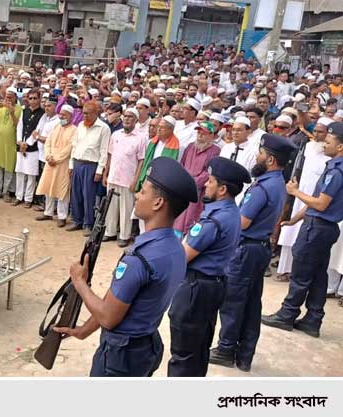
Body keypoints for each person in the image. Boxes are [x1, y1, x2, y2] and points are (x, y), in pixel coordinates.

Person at [53, 157, 198, 377]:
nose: (137, 195)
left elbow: (109, 316)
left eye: (144, 191)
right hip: (145, 346)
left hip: (120, 357)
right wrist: (83, 331)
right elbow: (119, 303)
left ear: (158, 203)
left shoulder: (139, 259)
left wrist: (79, 282)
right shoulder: (175, 247)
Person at [210, 134, 296, 372]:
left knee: (234, 301)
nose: (257, 156)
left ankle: (226, 349)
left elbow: (243, 222)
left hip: (247, 249)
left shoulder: (262, 187)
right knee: (250, 303)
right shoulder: (277, 182)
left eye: (260, 153)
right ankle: (244, 354)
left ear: (269, 159)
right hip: (260, 248)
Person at [167, 157, 249, 377]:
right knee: (199, 349)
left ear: (222, 189)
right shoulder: (231, 212)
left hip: (196, 288)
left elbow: (182, 257)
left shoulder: (213, 220)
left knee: (183, 352)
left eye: (211, 181)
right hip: (213, 285)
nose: (206, 184)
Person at [262, 121, 343, 337]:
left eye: (328, 141)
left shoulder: (336, 171)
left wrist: (295, 192)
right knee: (317, 275)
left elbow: (321, 204)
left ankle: (287, 314)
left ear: (340, 146)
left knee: (301, 273)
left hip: (317, 228)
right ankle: (313, 318)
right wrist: (295, 219)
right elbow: (316, 201)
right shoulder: (334, 167)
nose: (324, 145)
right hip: (323, 227)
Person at [276, 117, 333, 281]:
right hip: (299, 194)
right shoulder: (307, 146)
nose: (316, 134)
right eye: (315, 130)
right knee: (292, 231)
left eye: (321, 132)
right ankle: (286, 269)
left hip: (317, 198)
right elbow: (298, 167)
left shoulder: (331, 155)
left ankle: (300, 273)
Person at [103, 108, 146, 246]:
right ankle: (109, 232)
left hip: (128, 180)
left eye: (130, 117)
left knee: (126, 209)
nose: (127, 119)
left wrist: (136, 180)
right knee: (110, 207)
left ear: (136, 120)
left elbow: (141, 161)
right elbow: (109, 155)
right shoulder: (116, 134)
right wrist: (106, 173)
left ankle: (124, 235)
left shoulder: (141, 138)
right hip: (113, 177)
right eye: (125, 116)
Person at [68, 101, 111, 235]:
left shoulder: (103, 128)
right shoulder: (80, 125)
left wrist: (100, 170)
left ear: (95, 113)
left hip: (91, 165)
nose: (84, 116)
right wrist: (71, 164)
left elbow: (104, 152)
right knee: (76, 194)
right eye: (83, 113)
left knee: (89, 196)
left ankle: (88, 223)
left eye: (87, 113)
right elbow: (74, 145)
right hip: (77, 163)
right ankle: (77, 220)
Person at [174, 121, 222, 236]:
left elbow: (209, 172)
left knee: (193, 217)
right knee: (179, 217)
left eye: (204, 133)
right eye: (199, 132)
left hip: (200, 190)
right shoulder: (190, 146)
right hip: (184, 187)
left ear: (211, 135)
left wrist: (194, 182)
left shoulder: (216, 151)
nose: (200, 135)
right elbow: (182, 163)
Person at [35, 105, 76, 226]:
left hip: (63, 164)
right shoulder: (56, 126)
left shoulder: (74, 130)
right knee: (48, 187)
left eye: (64, 115)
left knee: (62, 191)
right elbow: (48, 142)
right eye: (61, 114)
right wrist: (48, 156)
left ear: (71, 116)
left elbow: (69, 148)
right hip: (50, 162)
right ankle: (48, 212)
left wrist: (56, 159)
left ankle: (62, 216)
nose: (61, 116)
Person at [0, 87, 21, 201]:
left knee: (8, 168)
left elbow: (18, 125)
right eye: (6, 97)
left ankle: (5, 192)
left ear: (15, 98)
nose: (8, 99)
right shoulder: (1, 108)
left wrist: (11, 112)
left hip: (10, 143)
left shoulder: (19, 109)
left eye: (10, 97)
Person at [13, 89, 43, 207]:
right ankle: (18, 196)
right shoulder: (24, 111)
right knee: (20, 172)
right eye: (30, 98)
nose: (32, 101)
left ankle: (28, 199)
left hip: (33, 147)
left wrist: (28, 143)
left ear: (39, 99)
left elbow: (38, 130)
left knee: (31, 174)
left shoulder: (42, 114)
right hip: (21, 146)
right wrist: (20, 141)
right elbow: (20, 126)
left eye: (35, 98)